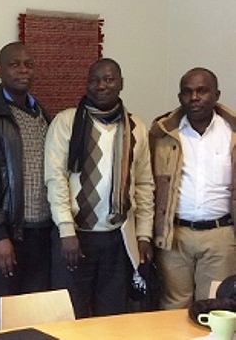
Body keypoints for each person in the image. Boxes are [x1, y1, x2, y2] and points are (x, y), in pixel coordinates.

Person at [44, 58, 154, 318]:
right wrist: (66, 230)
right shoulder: (66, 121)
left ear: (121, 84)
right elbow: (55, 177)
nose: (101, 85)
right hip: (74, 238)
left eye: (108, 79)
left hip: (118, 239)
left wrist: (144, 235)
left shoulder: (136, 127)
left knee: (112, 316)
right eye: (94, 80)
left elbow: (144, 184)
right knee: (70, 315)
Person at [0, 42, 52, 330]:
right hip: (7, 236)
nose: (23, 70)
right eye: (14, 64)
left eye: (28, 64)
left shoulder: (44, 115)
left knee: (36, 318)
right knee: (1, 317)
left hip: (42, 234)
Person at [150, 67, 236, 308]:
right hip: (174, 236)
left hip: (220, 235)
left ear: (217, 95)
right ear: (180, 98)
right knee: (173, 307)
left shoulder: (231, 133)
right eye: (187, 92)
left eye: (202, 91)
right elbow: (147, 186)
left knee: (216, 307)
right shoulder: (162, 134)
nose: (194, 97)